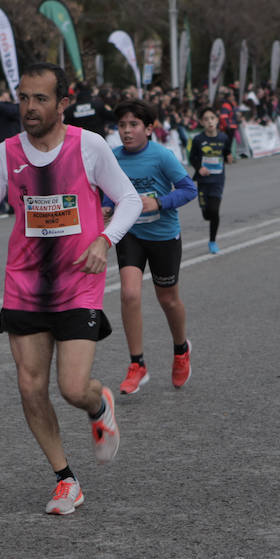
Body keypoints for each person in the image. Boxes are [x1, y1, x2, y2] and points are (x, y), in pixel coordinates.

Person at [0, 62, 141, 516]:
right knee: (29, 385)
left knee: (72, 387)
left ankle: (99, 403)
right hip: (24, 282)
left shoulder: (90, 146)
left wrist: (105, 239)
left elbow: (130, 200)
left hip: (79, 279)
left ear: (63, 102)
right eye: (23, 97)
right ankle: (66, 479)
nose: (29, 107)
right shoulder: (6, 151)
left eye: (40, 98)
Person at [110, 99, 198, 396]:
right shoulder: (113, 157)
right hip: (130, 233)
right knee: (129, 293)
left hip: (163, 235)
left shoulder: (162, 156)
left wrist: (159, 202)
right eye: (122, 125)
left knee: (168, 299)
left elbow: (189, 189)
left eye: (133, 125)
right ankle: (137, 364)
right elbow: (107, 194)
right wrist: (106, 209)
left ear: (149, 129)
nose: (126, 131)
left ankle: (181, 349)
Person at [187, 108, 233, 253]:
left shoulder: (223, 138)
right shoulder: (198, 139)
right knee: (207, 214)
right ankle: (207, 213)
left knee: (214, 210)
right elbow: (192, 157)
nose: (210, 121)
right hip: (203, 181)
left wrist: (229, 157)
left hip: (218, 180)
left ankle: (212, 241)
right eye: (206, 119)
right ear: (201, 122)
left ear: (217, 120)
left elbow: (226, 153)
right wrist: (199, 167)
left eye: (212, 118)